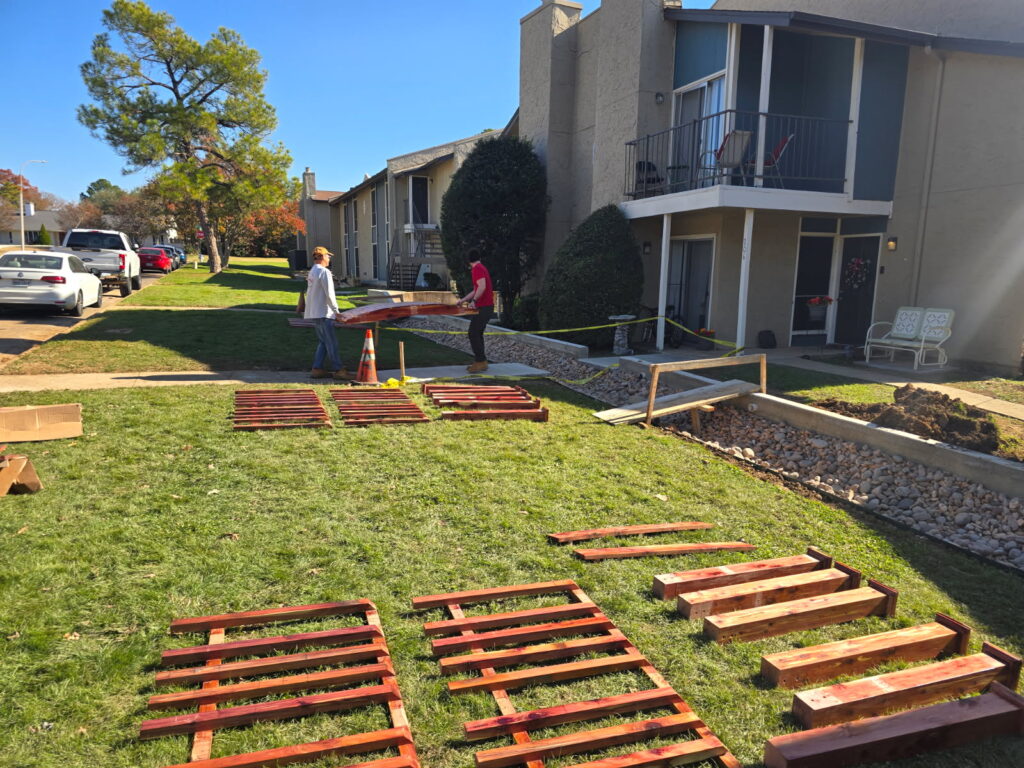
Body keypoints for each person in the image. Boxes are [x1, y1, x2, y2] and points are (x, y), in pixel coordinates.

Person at [305, 246, 353, 380]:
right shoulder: (324, 272)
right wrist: (336, 312)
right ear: (321, 257)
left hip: (315, 312)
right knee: (332, 342)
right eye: (327, 256)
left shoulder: (312, 271)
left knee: (324, 342)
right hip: (324, 312)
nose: (329, 259)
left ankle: (317, 368)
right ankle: (339, 370)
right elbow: (329, 294)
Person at [457, 248, 494, 373]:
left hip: (484, 307)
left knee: (473, 332)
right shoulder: (481, 268)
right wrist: (463, 300)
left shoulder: (477, 269)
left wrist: (474, 301)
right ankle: (481, 361)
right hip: (486, 307)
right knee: (477, 333)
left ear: (468, 261)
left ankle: (480, 361)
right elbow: (476, 289)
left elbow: (482, 287)